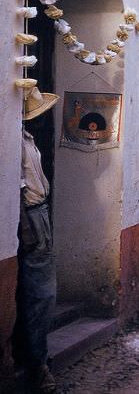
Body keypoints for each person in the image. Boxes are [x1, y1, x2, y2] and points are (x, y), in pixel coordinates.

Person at [15, 87, 59, 394]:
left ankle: (33, 356)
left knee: (37, 292)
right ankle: (38, 364)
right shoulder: (17, 141)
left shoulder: (26, 139)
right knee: (41, 294)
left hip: (39, 215)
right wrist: (29, 228)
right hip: (32, 218)